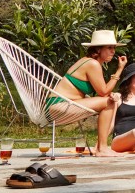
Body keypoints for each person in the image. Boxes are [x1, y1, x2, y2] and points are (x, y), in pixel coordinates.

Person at [51, 29, 127, 157]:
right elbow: (103, 92)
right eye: (109, 48)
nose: (113, 52)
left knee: (111, 99)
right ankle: (102, 148)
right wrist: (119, 70)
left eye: (114, 48)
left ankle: (101, 147)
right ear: (98, 49)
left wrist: (109, 94)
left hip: (66, 104)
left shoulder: (90, 62)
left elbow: (102, 92)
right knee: (109, 101)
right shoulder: (92, 64)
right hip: (59, 106)